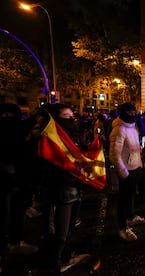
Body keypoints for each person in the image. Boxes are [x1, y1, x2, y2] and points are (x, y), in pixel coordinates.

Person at [33, 104, 90, 274]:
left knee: (69, 228)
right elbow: (48, 167)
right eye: (67, 116)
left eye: (73, 115)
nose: (72, 118)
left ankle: (66, 257)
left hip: (74, 189)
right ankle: (53, 266)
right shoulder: (47, 138)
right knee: (58, 233)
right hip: (58, 192)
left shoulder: (71, 134)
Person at [0, 104, 38, 259]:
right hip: (10, 180)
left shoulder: (20, 132)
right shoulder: (19, 134)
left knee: (15, 213)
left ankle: (13, 243)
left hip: (18, 181)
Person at [109, 103, 145, 242]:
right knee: (123, 199)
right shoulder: (119, 130)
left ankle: (130, 218)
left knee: (131, 196)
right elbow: (114, 155)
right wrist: (124, 173)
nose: (132, 114)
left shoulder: (133, 128)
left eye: (133, 111)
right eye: (129, 112)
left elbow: (136, 149)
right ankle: (122, 228)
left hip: (135, 168)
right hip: (126, 171)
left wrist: (140, 166)